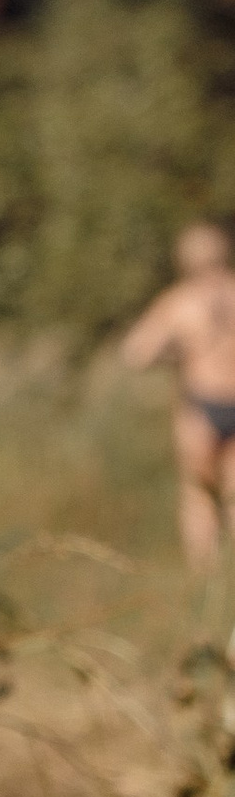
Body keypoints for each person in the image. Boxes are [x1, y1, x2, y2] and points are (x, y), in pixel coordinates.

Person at [121, 223, 235, 567]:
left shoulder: (179, 301)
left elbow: (136, 354)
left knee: (197, 496)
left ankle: (205, 580)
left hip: (201, 404)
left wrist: (176, 354)